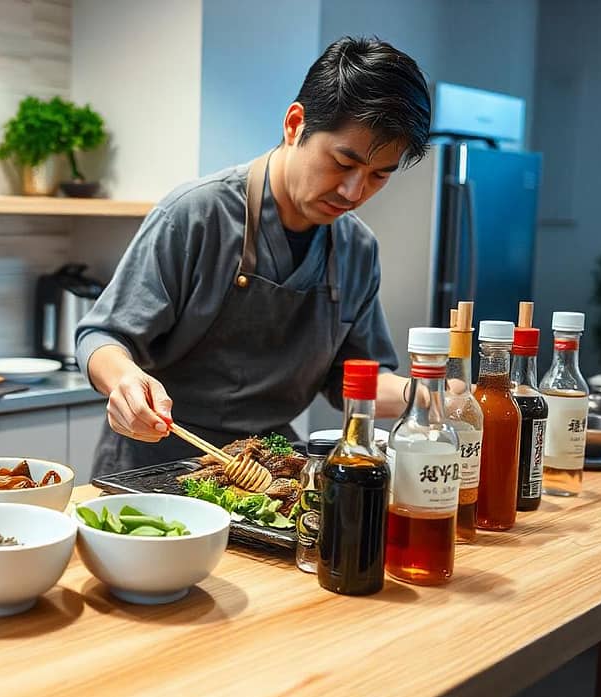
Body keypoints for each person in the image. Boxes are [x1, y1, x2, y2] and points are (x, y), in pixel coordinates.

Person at [75, 36, 432, 477]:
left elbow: (355, 380)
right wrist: (125, 382)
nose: (353, 192)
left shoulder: (357, 248)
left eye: (379, 175)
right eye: (342, 162)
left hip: (268, 473)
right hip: (157, 462)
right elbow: (101, 338)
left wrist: (434, 395)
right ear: (295, 124)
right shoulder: (197, 214)